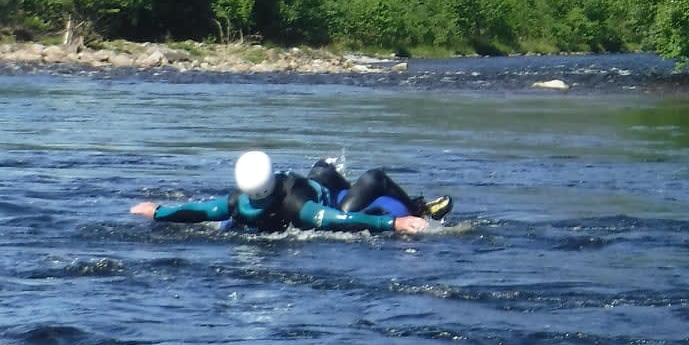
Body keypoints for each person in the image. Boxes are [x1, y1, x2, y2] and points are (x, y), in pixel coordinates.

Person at [130, 150, 452, 234]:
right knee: (372, 178)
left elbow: (199, 211)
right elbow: (339, 220)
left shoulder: (237, 203)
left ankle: (327, 170)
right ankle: (421, 208)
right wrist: (394, 224)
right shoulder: (300, 207)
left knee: (323, 168)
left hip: (317, 184)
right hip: (326, 198)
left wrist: (157, 211)